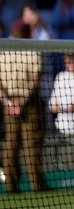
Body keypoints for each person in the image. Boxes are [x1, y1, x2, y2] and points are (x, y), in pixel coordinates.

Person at [0, 23, 47, 193]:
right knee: (30, 149)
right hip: (29, 105)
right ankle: (38, 188)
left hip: (10, 105)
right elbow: (35, 82)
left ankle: (11, 188)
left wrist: (9, 103)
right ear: (29, 33)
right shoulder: (33, 51)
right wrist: (20, 102)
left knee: (10, 148)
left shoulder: (3, 52)